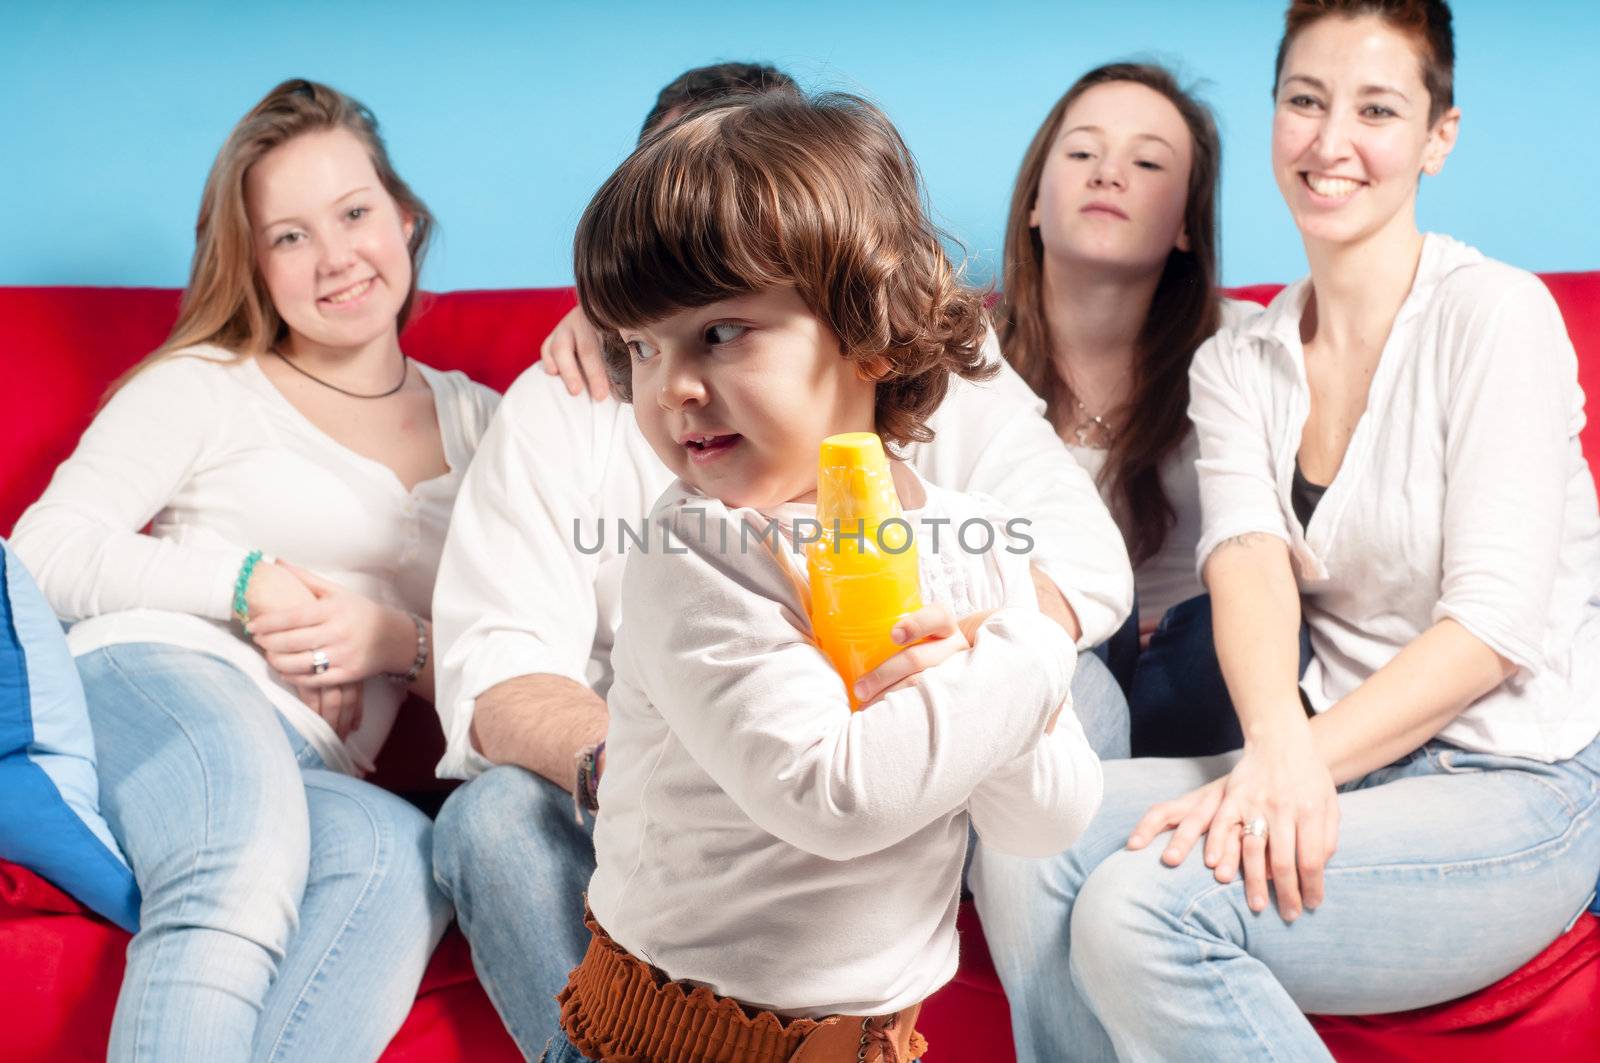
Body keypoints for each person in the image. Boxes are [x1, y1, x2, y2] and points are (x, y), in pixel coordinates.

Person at [430, 61, 1133, 1055]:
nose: (667, 387)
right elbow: (833, 796)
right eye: (639, 346)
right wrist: (1011, 661)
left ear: (869, 337)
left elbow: (1046, 819)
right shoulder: (696, 547)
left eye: (718, 332)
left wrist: (992, 683)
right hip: (664, 1043)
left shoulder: (964, 537)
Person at [969, 2, 1600, 1059]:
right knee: (1035, 829)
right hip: (1330, 763)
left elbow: (1489, 627)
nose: (1329, 139)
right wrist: (1275, 752)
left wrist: (1289, 766)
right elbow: (1249, 561)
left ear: (1437, 137)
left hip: (1510, 786)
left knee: (1140, 911)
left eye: (1377, 108)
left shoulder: (1495, 313)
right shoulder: (1238, 361)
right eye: (1304, 102)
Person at [12, 79, 497, 1061]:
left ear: (403, 217)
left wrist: (399, 645)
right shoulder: (205, 385)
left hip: (318, 759)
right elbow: (42, 553)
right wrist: (247, 582)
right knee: (239, 851)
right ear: (255, 266)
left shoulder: (491, 423)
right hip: (157, 677)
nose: (334, 258)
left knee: (400, 863)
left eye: (354, 213)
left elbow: (546, 643)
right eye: (288, 236)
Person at [997, 62, 1289, 756]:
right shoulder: (959, 358)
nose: (1108, 173)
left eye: (1148, 161)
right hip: (1044, 678)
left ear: (1188, 222)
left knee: (1221, 623)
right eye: (1081, 152)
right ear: (1035, 200)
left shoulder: (1247, 346)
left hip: (1195, 683)